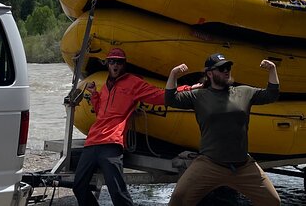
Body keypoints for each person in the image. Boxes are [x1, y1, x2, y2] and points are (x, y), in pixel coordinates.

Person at [165, 54, 281, 206]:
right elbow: (170, 99)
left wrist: (272, 69)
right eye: (221, 68)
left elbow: (271, 94)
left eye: (228, 68)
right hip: (209, 165)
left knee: (273, 202)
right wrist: (173, 74)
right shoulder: (198, 95)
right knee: (178, 201)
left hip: (243, 166)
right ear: (209, 73)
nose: (226, 71)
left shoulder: (244, 92)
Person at [72, 47, 167, 206]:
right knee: (79, 186)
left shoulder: (133, 83)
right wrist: (95, 94)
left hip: (111, 144)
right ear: (107, 64)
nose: (115, 65)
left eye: (119, 62)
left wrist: (189, 89)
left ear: (124, 65)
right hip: (92, 142)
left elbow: (159, 95)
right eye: (112, 62)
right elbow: (100, 112)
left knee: (117, 192)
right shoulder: (105, 87)